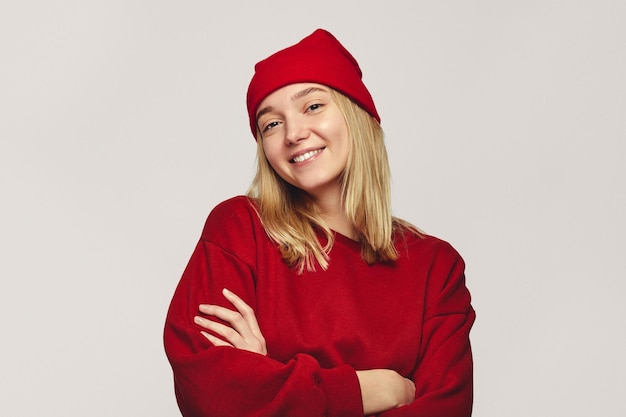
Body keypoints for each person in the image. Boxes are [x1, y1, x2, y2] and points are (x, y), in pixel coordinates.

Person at [164, 28, 475, 417]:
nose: (293, 134)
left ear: (356, 114)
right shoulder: (239, 230)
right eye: (271, 124)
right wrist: (371, 389)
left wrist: (273, 381)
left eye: (312, 106)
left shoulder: (435, 268)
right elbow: (215, 397)